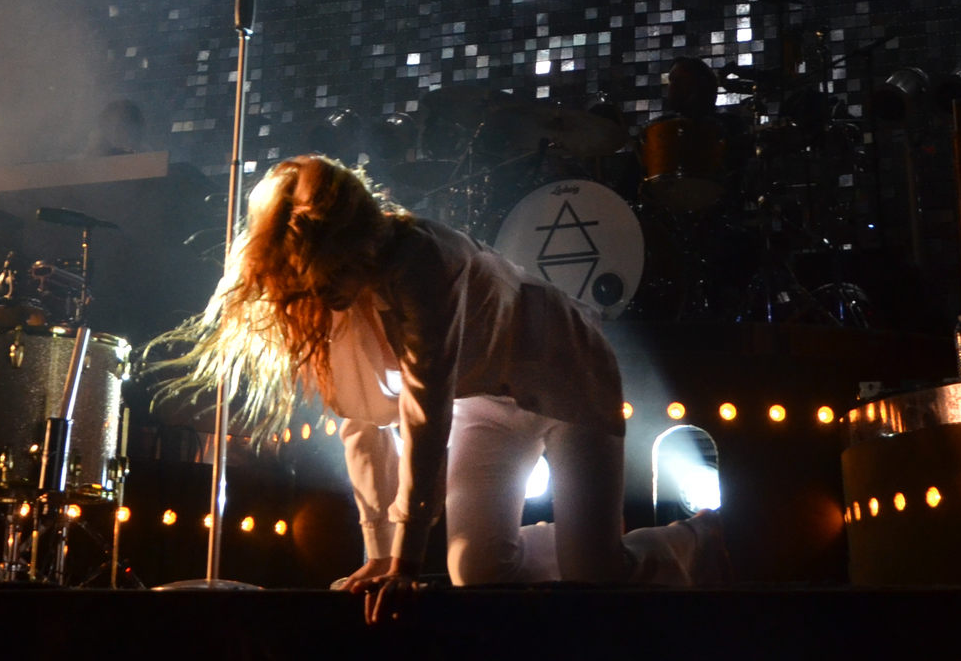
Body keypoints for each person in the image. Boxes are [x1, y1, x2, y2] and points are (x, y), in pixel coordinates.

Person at [173, 155, 727, 591]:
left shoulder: (421, 263)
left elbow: (425, 410)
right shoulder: (340, 295)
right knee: (477, 572)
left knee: (600, 574)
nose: (319, 296)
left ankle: (692, 540)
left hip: (567, 373)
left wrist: (406, 562)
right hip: (488, 403)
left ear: (350, 246)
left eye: (325, 279)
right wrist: (378, 556)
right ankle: (573, 549)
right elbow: (361, 423)